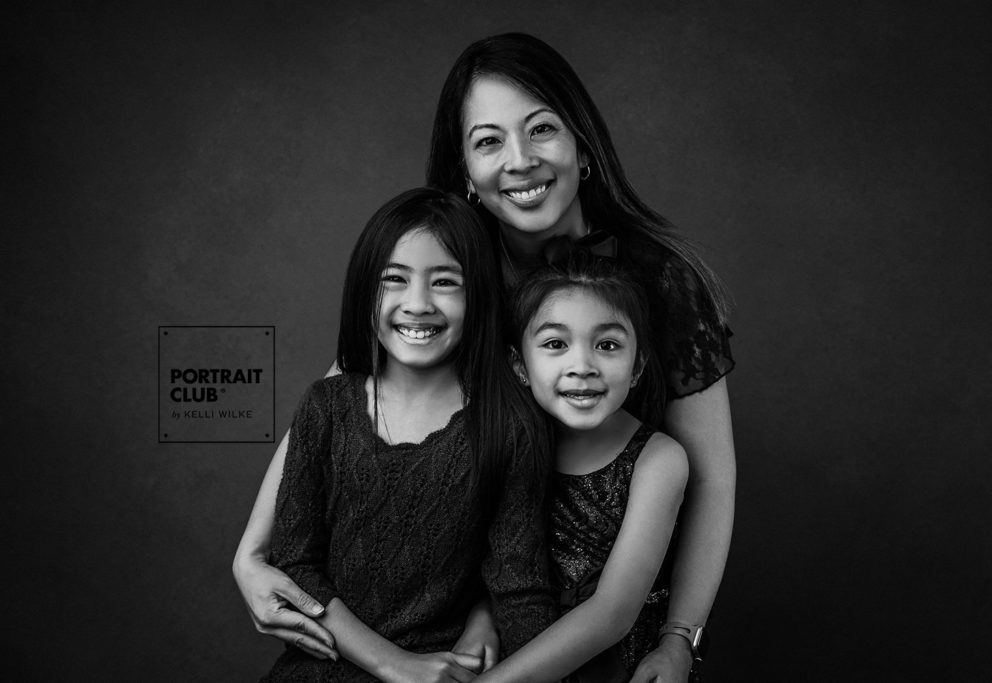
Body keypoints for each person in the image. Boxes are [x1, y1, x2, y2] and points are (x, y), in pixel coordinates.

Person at [235, 33, 736, 681]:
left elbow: (713, 478)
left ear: (582, 145)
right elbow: (343, 392)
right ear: (466, 174)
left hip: (609, 614)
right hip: (471, 612)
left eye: (542, 129)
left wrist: (681, 635)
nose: (521, 160)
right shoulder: (454, 273)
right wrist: (251, 552)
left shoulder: (659, 280)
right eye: (489, 140)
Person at [259, 187, 556, 682]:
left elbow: (519, 587)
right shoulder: (326, 407)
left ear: (478, 295)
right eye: (393, 280)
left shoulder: (508, 425)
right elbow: (293, 563)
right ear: (364, 291)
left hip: (448, 668)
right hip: (325, 664)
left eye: (445, 282)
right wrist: (395, 666)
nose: (417, 304)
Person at [469, 253, 688, 682]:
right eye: (555, 344)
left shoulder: (658, 460)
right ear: (520, 367)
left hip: (618, 669)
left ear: (638, 364)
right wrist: (481, 619)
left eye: (607, 345)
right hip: (520, 656)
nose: (583, 366)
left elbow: (612, 614)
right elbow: (485, 560)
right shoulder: (510, 445)